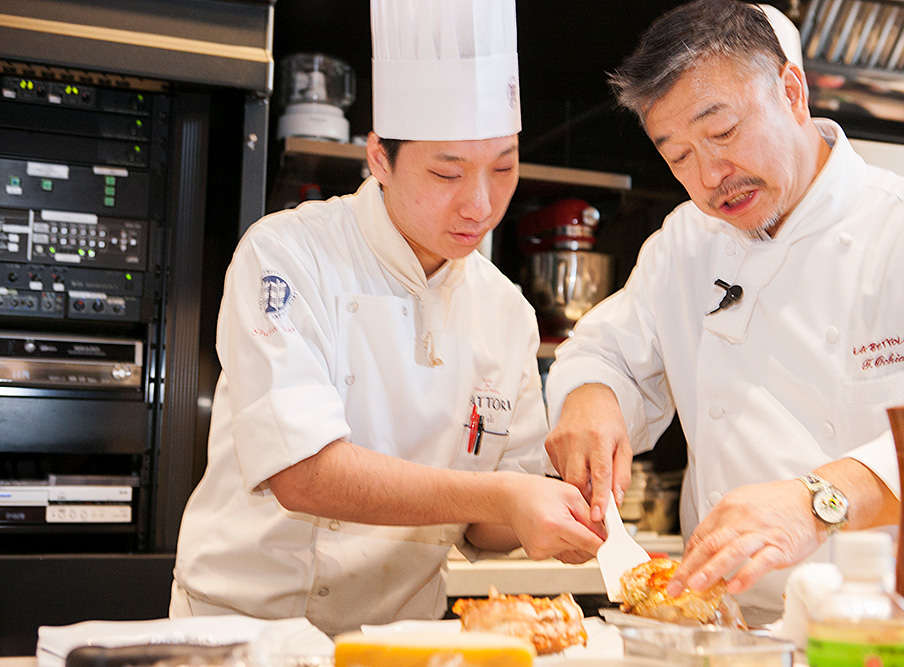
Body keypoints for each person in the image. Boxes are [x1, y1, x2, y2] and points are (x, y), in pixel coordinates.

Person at [544, 0, 904, 624]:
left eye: (724, 133)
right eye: (677, 156)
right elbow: (606, 351)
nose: (709, 176)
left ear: (791, 92)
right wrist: (591, 396)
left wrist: (818, 500)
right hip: (734, 629)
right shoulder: (686, 244)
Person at [169, 0, 604, 636]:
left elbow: (488, 523)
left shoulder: (506, 310)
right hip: (242, 633)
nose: (480, 204)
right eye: (446, 172)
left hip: (402, 641)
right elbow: (305, 473)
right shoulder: (286, 254)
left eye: (504, 168)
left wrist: (556, 509)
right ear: (379, 158)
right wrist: (504, 496)